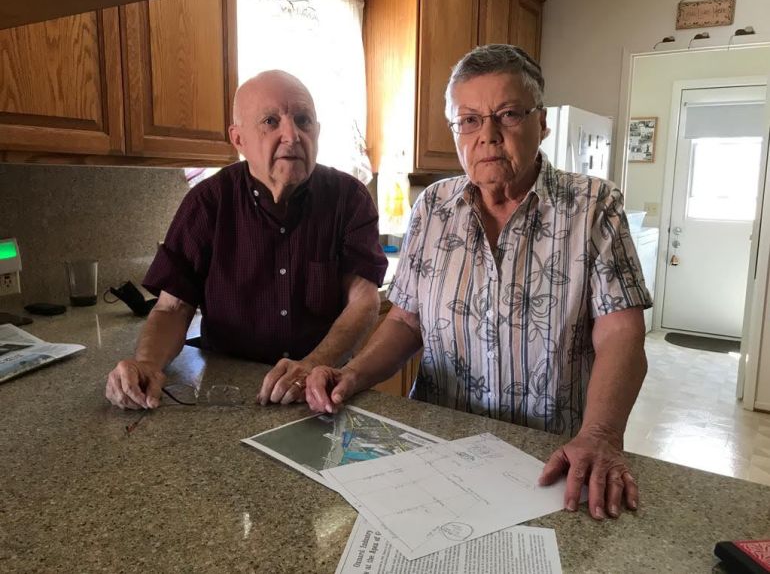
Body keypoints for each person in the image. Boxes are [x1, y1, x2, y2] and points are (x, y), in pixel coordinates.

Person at [306, 45, 652, 521]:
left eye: (507, 114)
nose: (487, 135)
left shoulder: (594, 206)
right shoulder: (433, 207)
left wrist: (600, 435)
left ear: (541, 123)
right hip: (438, 451)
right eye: (468, 120)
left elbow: (621, 335)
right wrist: (354, 373)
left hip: (552, 459)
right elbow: (406, 321)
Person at [105, 70, 387, 411]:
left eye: (303, 120)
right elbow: (172, 308)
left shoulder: (349, 198)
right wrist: (147, 364)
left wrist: (313, 364)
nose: (292, 135)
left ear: (317, 130)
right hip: (228, 392)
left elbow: (363, 300)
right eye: (270, 121)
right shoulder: (207, 203)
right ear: (238, 139)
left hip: (321, 389)